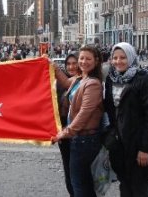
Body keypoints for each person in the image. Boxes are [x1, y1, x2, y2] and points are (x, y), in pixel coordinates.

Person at [104, 42, 148, 197]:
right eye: (115, 57)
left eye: (123, 57)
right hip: (120, 143)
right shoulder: (111, 79)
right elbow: (110, 110)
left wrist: (145, 148)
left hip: (137, 142)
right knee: (124, 184)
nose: (118, 61)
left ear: (131, 57)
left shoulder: (144, 80)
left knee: (139, 187)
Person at [53, 45, 104, 197]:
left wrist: (65, 133)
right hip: (79, 139)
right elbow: (65, 82)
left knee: (80, 185)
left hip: (85, 139)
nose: (83, 62)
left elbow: (84, 114)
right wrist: (53, 66)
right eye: (81, 58)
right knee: (83, 183)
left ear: (96, 61)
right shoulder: (81, 79)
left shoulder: (93, 84)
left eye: (88, 59)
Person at [56, 53, 80, 197]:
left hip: (79, 133)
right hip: (63, 131)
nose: (71, 66)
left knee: (79, 171)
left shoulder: (84, 80)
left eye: (74, 63)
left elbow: (68, 83)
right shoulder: (59, 83)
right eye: (68, 64)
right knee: (68, 168)